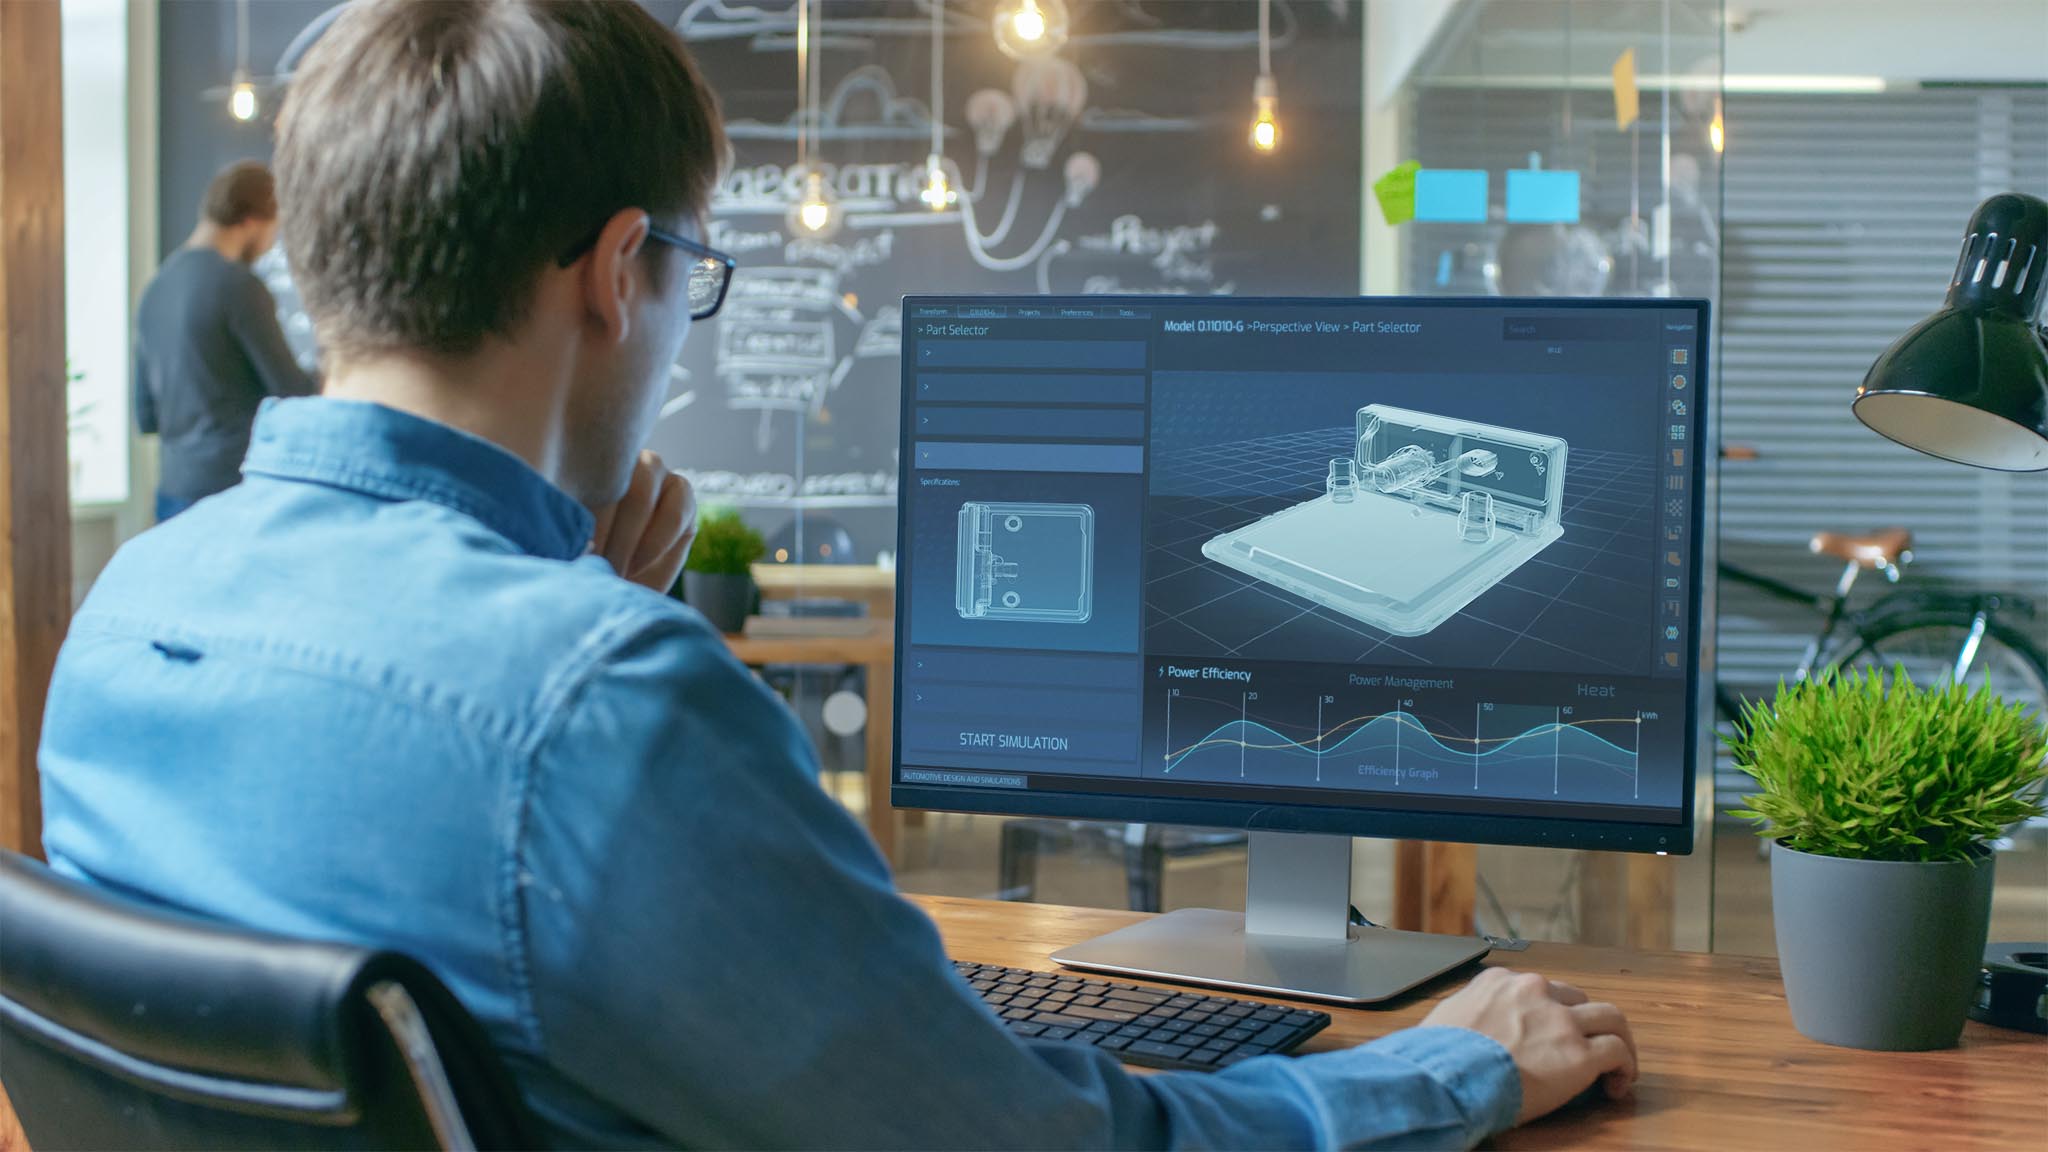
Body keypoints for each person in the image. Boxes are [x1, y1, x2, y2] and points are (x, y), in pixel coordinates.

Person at [39, 2, 1637, 1146]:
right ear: (617, 274)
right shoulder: (597, 711)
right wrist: (1447, 1067)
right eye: (697, 277)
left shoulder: (128, 619)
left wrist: (572, 590)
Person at [133, 161, 318, 521]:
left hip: (172, 496)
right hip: (232, 493)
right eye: (272, 231)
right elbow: (291, 389)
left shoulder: (155, 289)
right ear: (252, 221)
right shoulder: (238, 285)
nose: (268, 246)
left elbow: (146, 416)